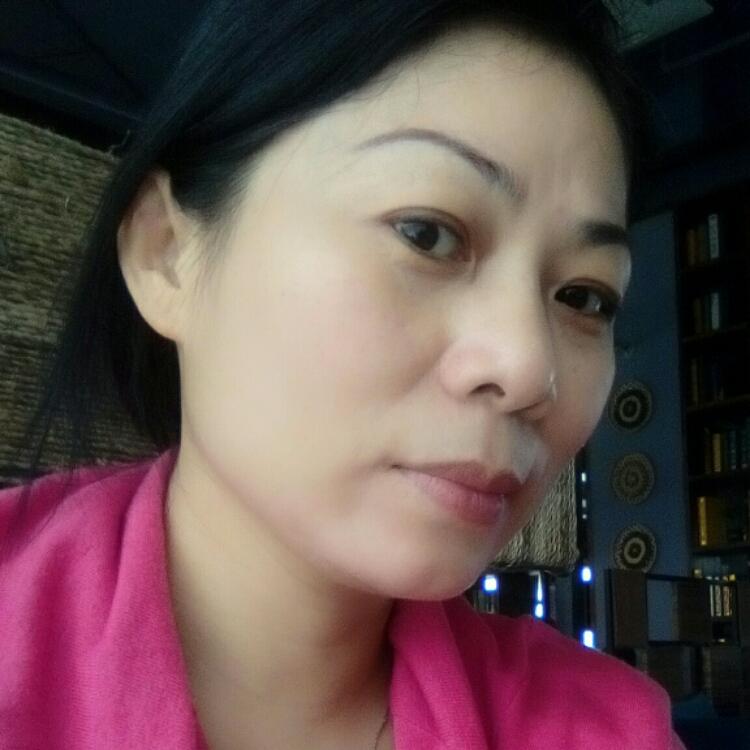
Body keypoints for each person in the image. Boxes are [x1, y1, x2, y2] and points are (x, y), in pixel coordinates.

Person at [0, 1, 686, 748]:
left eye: (585, 297)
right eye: (427, 234)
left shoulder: (601, 731)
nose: (529, 368)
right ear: (167, 253)